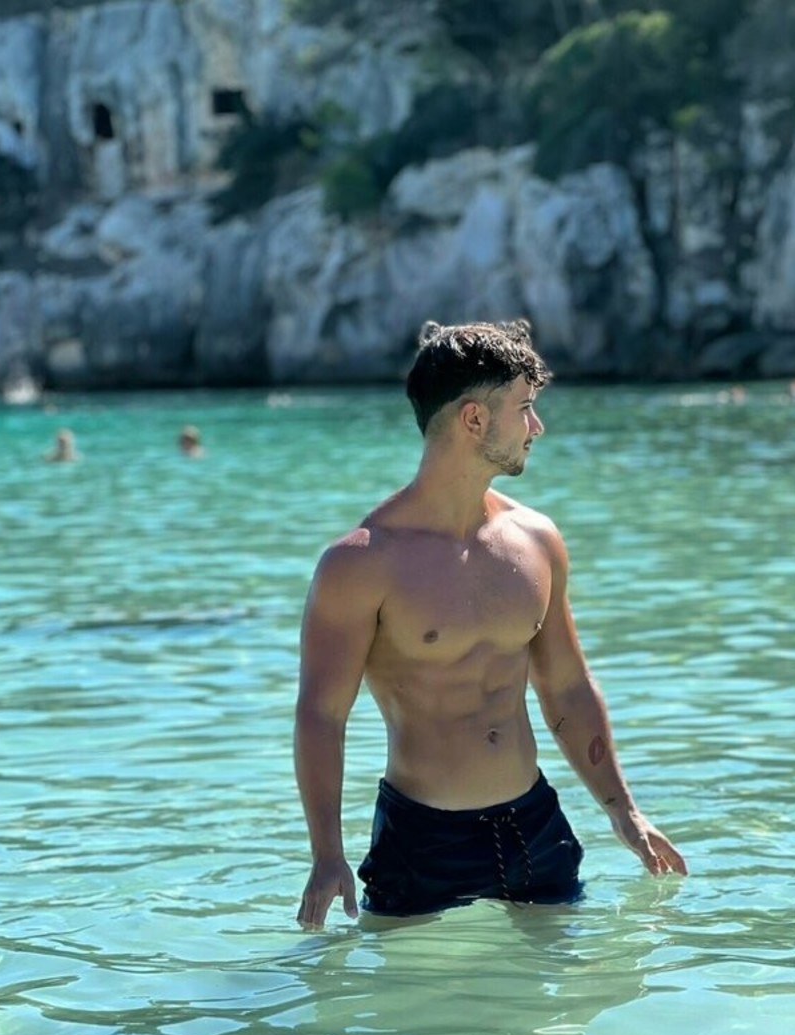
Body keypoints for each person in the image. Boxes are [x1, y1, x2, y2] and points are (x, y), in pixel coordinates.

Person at [294, 319, 686, 927]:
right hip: (422, 840)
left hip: (534, 825)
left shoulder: (536, 540)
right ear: (474, 419)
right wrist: (327, 855)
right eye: (524, 408)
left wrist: (623, 810)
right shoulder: (362, 564)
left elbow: (567, 687)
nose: (537, 427)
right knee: (415, 993)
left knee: (564, 992)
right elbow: (322, 715)